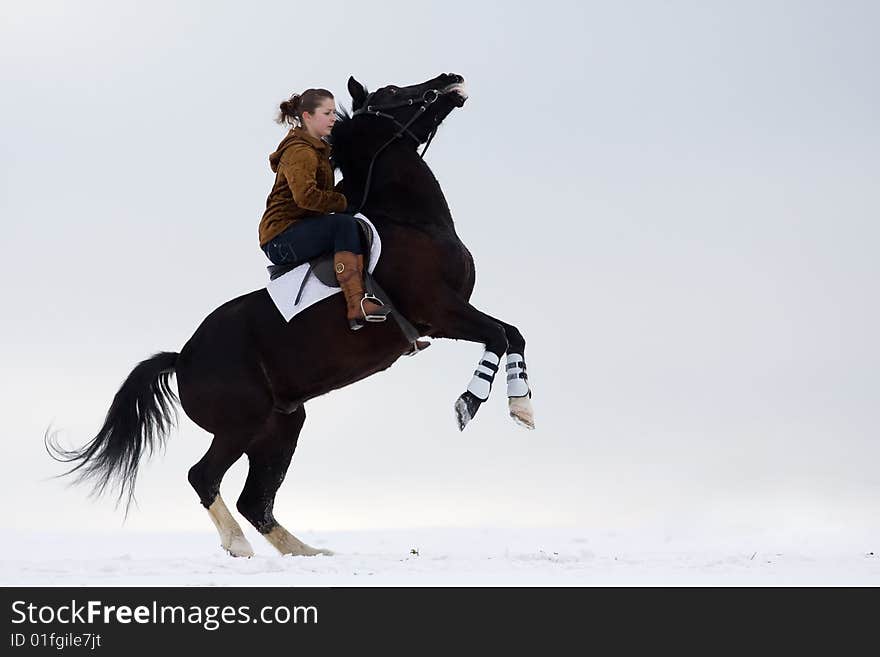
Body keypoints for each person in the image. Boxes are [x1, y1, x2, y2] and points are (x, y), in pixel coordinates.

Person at [259, 88, 391, 330]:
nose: (333, 118)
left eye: (333, 112)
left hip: (298, 229)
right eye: (327, 113)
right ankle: (356, 305)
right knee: (344, 225)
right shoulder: (301, 152)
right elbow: (306, 197)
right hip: (281, 237)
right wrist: (342, 202)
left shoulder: (318, 152)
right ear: (308, 117)